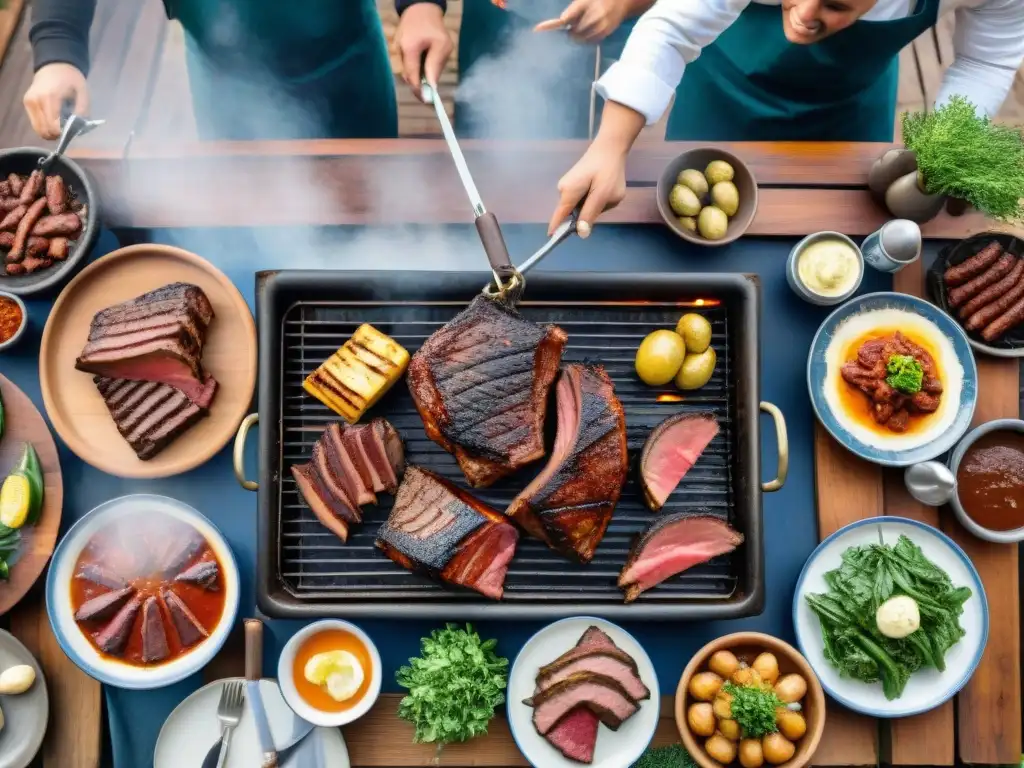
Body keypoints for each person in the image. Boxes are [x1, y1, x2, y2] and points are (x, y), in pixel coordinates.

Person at [549, 0, 1024, 233]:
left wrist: (948, 143)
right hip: (724, 86)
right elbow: (672, 27)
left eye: (837, 4)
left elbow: (988, 58)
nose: (804, 15)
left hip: (849, 105)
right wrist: (609, 147)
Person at [25, 0, 447, 140]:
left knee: (370, 202)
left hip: (347, 61)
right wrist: (58, 48)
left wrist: (420, 5)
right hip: (225, 81)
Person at [394, 0, 655, 138]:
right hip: (491, 16)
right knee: (483, 161)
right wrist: (420, 4)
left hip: (603, 26)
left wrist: (621, 3)